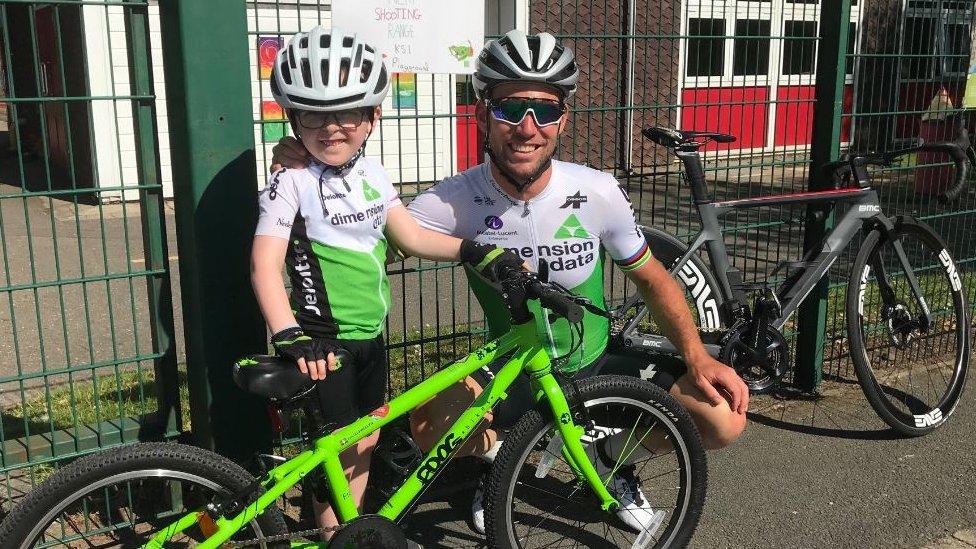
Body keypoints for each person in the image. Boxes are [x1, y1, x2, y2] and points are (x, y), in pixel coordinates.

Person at [272, 29, 748, 536]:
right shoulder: (449, 201)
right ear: (483, 114)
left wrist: (697, 357)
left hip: (594, 358)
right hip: (513, 366)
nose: (527, 127)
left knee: (722, 417)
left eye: (544, 110)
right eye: (509, 108)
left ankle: (613, 457)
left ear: (563, 119)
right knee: (429, 422)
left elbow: (654, 279)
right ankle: (500, 468)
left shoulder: (596, 191)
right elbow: (361, 247)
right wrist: (314, 172)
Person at [254, 26, 521, 540]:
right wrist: (289, 335)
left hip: (372, 337)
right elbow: (264, 265)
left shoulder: (373, 174)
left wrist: (473, 250)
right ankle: (335, 535)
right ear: (292, 118)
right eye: (313, 114)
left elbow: (412, 235)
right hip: (321, 344)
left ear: (373, 116)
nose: (332, 128)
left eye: (348, 113)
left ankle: (346, 532)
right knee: (337, 449)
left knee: (365, 441)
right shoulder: (291, 180)